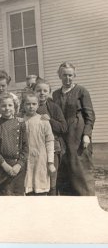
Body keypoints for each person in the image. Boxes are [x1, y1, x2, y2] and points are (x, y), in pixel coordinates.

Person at [52, 62, 96, 196]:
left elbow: (90, 115)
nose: (67, 78)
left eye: (70, 75)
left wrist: (87, 134)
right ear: (59, 75)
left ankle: (86, 201)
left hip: (77, 135)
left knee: (80, 169)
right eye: (64, 75)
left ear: (74, 75)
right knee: (64, 170)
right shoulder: (55, 94)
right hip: (62, 136)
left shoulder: (81, 91)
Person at [0, 93, 28, 196]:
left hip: (18, 167)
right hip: (2, 167)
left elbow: (26, 146)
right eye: (3, 105)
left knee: (17, 196)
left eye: (10, 105)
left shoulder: (20, 123)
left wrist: (19, 165)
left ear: (14, 107)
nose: (7, 108)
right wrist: (4, 165)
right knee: (3, 196)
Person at [34, 80, 68, 195]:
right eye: (38, 90)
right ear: (34, 92)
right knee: (38, 179)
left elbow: (63, 127)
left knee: (52, 179)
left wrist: (50, 120)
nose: (42, 93)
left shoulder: (54, 107)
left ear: (49, 93)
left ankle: (52, 203)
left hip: (52, 149)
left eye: (45, 91)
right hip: (35, 149)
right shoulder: (29, 107)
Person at [23, 93, 56, 195]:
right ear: (23, 105)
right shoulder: (20, 120)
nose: (31, 106)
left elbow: (50, 141)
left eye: (34, 104)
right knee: (27, 189)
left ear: (38, 105)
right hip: (25, 159)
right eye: (28, 104)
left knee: (40, 190)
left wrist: (50, 162)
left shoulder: (43, 121)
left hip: (41, 159)